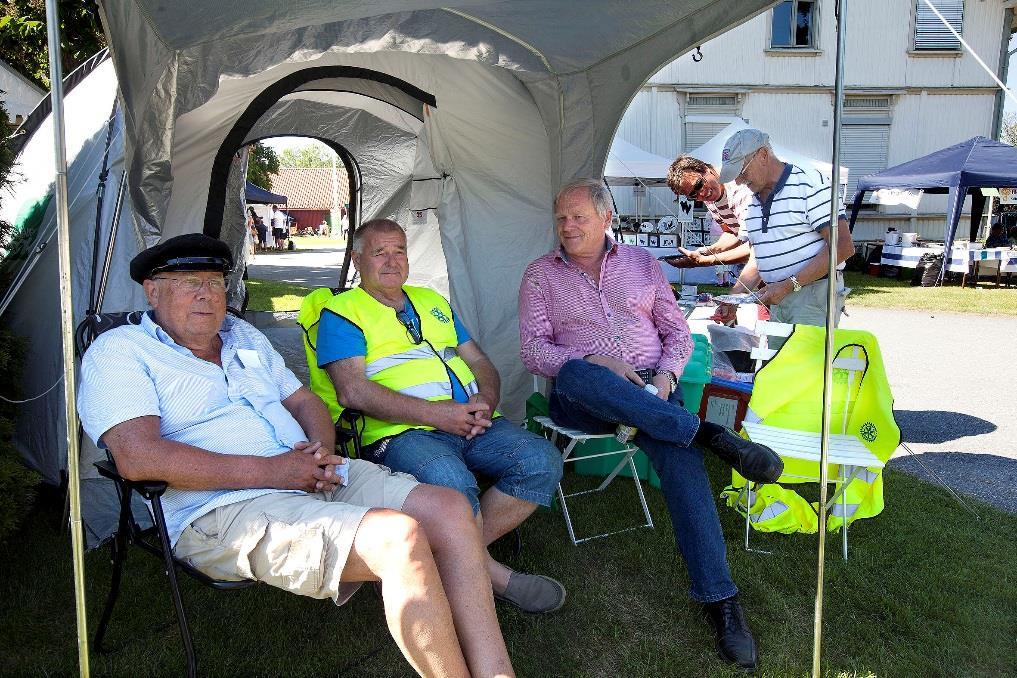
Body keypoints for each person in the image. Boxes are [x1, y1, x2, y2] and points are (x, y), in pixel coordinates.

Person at [77, 233, 515, 678]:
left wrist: (321, 452)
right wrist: (280, 470)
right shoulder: (120, 352)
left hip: (307, 472)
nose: (207, 295)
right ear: (153, 290)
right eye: (189, 282)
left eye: (215, 281)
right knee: (399, 539)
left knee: (450, 507)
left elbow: (306, 402)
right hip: (221, 507)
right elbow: (138, 458)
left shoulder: (241, 334)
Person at [518, 179, 784, 671]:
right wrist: (596, 358)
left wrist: (663, 379)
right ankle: (711, 436)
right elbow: (534, 350)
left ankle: (721, 603)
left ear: (604, 218)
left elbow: (676, 332)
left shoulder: (642, 265)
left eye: (578, 217)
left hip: (655, 390)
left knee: (681, 465)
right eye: (561, 218)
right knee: (580, 371)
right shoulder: (540, 275)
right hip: (586, 396)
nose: (568, 227)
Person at [314, 219, 566, 615]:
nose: (392, 261)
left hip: (472, 421)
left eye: (399, 250)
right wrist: (440, 416)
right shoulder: (342, 313)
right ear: (356, 258)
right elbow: (353, 391)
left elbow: (480, 360)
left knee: (542, 461)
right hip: (399, 433)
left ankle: (455, 557)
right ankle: (495, 578)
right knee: (450, 484)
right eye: (379, 252)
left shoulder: (431, 300)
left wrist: (486, 399)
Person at [717, 129, 855, 327]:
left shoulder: (810, 184)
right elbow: (759, 258)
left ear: (763, 155)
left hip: (812, 296)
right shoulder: (751, 201)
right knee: (779, 358)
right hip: (778, 297)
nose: (738, 181)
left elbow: (842, 246)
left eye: (741, 171)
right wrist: (733, 300)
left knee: (806, 358)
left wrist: (790, 285)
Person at [663, 155, 753, 269]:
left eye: (699, 185)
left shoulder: (740, 189)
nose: (701, 194)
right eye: (693, 195)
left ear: (705, 169)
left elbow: (758, 246)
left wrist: (707, 260)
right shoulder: (711, 198)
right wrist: (708, 251)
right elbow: (732, 231)